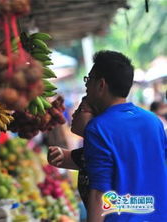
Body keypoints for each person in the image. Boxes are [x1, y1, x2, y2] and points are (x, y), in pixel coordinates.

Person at [50, 50, 167, 222]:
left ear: (101, 85)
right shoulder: (152, 121)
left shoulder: (99, 128)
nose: (86, 86)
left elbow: (99, 192)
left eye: (88, 80)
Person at [48, 97, 95, 208]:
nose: (73, 114)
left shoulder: (100, 155)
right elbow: (57, 158)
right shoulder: (86, 153)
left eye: (81, 110)